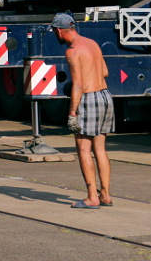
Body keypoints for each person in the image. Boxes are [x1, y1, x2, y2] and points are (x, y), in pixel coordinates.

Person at [52, 12, 113, 208]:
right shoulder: (92, 43)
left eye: (54, 31)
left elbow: (77, 85)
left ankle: (91, 198)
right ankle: (105, 195)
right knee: (100, 149)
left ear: (60, 31)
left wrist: (72, 113)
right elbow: (104, 72)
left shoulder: (72, 51)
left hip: (89, 98)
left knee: (83, 149)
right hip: (105, 96)